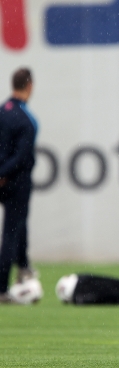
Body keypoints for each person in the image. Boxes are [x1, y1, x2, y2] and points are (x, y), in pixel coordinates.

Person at [0, 68, 39, 304]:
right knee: (11, 234)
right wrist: (3, 173)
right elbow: (23, 156)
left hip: (4, 177)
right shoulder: (26, 119)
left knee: (19, 227)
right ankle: (2, 288)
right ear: (29, 85)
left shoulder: (2, 112)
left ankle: (24, 267)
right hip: (16, 182)